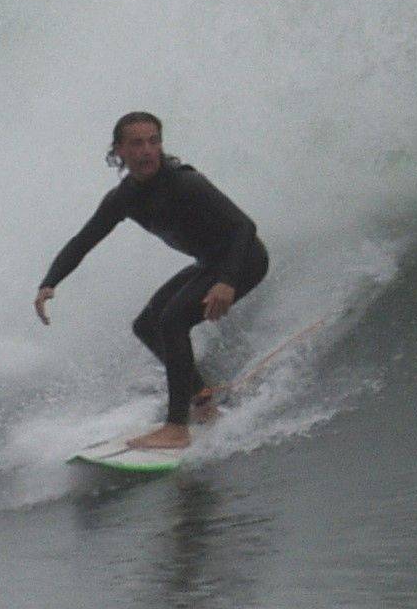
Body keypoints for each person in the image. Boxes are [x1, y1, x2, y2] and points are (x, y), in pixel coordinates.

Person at [33, 110, 267, 451]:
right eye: (137, 143)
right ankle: (200, 396)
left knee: (172, 321)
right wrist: (49, 282)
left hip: (244, 260)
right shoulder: (123, 198)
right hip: (211, 264)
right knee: (146, 324)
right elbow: (84, 240)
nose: (147, 150)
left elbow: (244, 227)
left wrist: (227, 282)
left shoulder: (186, 182)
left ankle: (176, 428)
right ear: (119, 151)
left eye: (154, 142)